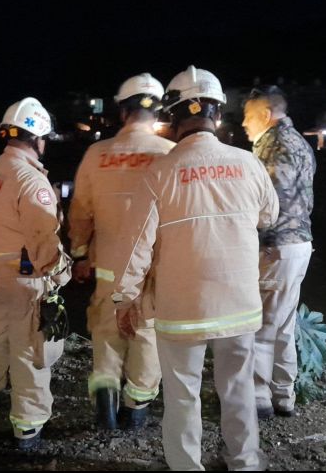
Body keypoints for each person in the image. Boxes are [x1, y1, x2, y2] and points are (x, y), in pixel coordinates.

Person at [112, 66, 279, 471]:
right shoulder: (248, 163)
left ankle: (187, 465)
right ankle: (244, 462)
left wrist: (125, 298)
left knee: (182, 395)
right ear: (217, 114)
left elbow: (135, 246)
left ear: (172, 117)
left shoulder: (159, 172)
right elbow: (269, 216)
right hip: (239, 306)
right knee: (238, 388)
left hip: (181, 311)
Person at [0, 97, 71, 450]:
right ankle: (28, 432)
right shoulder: (31, 180)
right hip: (24, 279)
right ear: (37, 138)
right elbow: (43, 240)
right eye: (45, 139)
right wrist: (62, 274)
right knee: (30, 355)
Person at [68, 73, 174, 430]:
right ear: (158, 111)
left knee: (106, 328)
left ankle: (105, 402)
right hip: (154, 267)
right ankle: (136, 408)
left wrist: (80, 254)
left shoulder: (97, 154)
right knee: (146, 330)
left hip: (108, 267)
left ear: (122, 111)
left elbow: (80, 212)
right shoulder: (170, 154)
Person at [242, 85, 316, 420]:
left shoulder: (272, 147)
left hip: (275, 248)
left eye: (248, 116)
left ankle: (258, 400)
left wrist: (252, 241)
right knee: (283, 324)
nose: (244, 123)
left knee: (261, 325)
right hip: (300, 245)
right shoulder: (300, 142)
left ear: (265, 114)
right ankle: (284, 395)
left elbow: (270, 206)